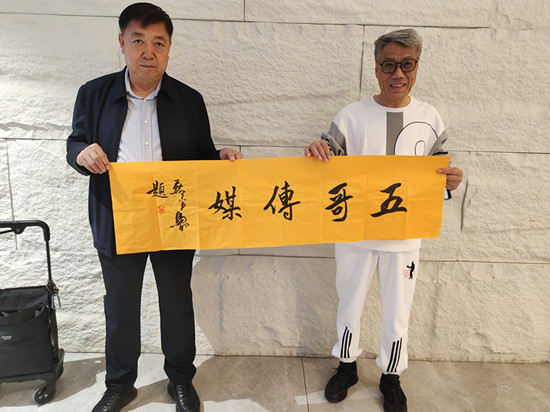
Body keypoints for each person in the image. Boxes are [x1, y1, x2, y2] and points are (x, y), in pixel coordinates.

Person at [66, 3, 241, 412]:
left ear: (169, 48)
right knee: (120, 306)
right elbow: (75, 143)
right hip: (118, 218)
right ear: (122, 43)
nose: (149, 52)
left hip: (173, 217)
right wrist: (81, 154)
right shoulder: (93, 94)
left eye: (159, 43)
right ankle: (119, 385)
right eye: (139, 41)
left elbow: (200, 156)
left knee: (176, 303)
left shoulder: (189, 100)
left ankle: (180, 379)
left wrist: (219, 158)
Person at [305, 28, 462, 412]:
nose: (398, 73)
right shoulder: (351, 116)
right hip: (355, 234)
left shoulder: (429, 117)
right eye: (389, 65)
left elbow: (437, 175)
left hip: (405, 238)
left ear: (417, 67)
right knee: (349, 302)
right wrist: (316, 151)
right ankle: (346, 366)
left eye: (407, 64)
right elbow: (326, 167)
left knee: (398, 309)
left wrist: (450, 182)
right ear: (376, 69)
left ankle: (391, 375)